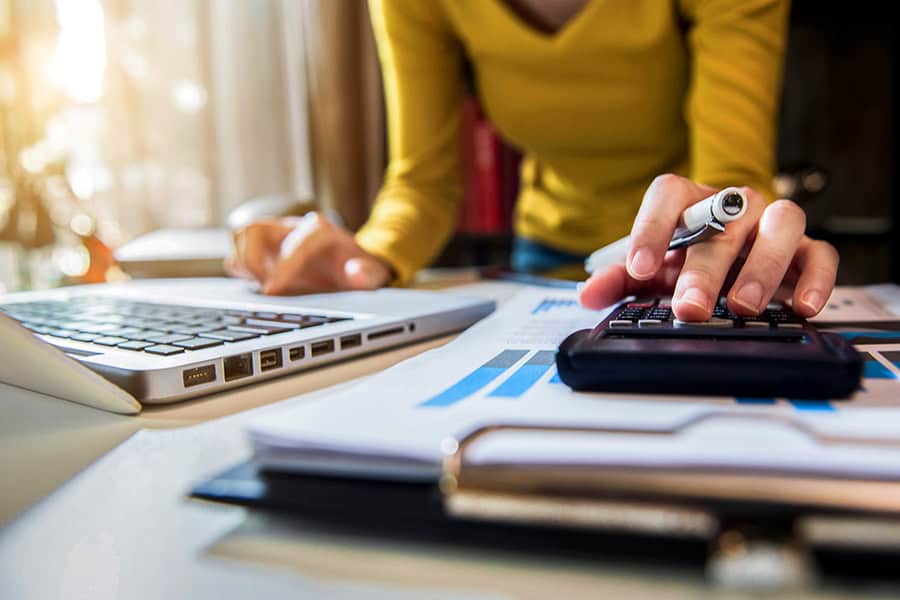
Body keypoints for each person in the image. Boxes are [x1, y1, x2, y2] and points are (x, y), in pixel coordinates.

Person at [231, 0, 839, 322]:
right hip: (544, 258)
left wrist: (733, 231)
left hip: (690, 259)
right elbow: (421, 182)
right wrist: (369, 256)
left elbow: (731, 176)